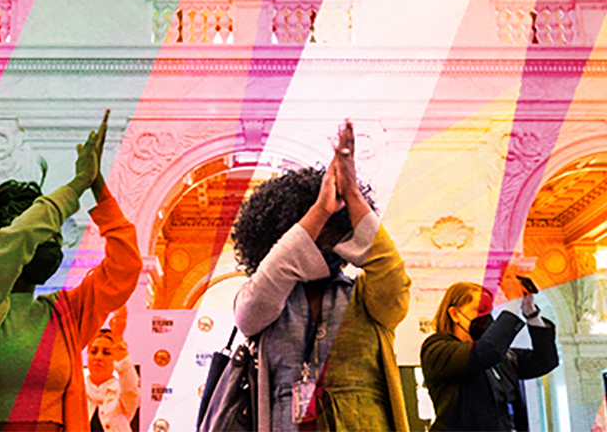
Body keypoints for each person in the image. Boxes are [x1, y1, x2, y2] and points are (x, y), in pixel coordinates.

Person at [0, 111, 143, 432]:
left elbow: (125, 266)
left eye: (57, 235)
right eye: (45, 232)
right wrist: (74, 186)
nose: (55, 241)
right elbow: (17, 239)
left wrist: (97, 187)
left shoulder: (64, 314)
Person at [229, 121, 411, 431]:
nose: (323, 242)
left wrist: (352, 196)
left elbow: (391, 276)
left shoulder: (367, 297)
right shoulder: (269, 303)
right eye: (309, 233)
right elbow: (249, 312)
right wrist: (320, 211)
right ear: (287, 238)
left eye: (333, 232)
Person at [421, 282, 559, 431]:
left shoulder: (502, 358)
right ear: (455, 314)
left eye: (489, 312)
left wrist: (530, 312)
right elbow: (484, 353)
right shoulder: (437, 349)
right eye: (480, 310)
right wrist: (513, 305)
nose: (486, 318)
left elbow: (544, 360)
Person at [85, 309, 138, 432]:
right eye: (94, 351)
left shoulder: (121, 393)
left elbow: (131, 388)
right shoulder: (76, 391)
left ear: (115, 358)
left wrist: (119, 339)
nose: (98, 357)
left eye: (106, 353)